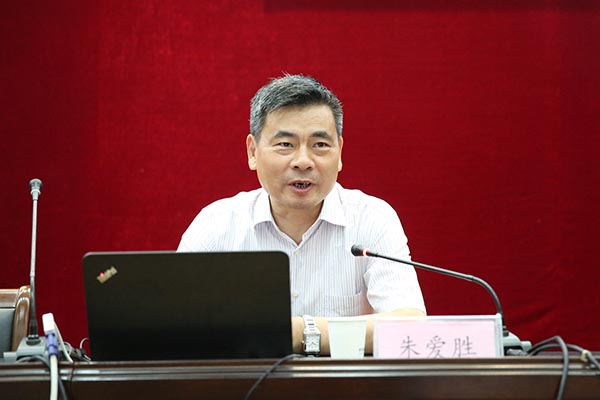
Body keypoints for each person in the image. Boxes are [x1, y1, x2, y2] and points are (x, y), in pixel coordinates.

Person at [178, 74, 426, 355]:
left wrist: (300, 332)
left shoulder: (373, 219)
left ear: (340, 153)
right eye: (285, 144)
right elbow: (175, 327)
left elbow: (410, 326)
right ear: (253, 152)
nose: (303, 161)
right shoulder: (216, 226)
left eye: (320, 145)